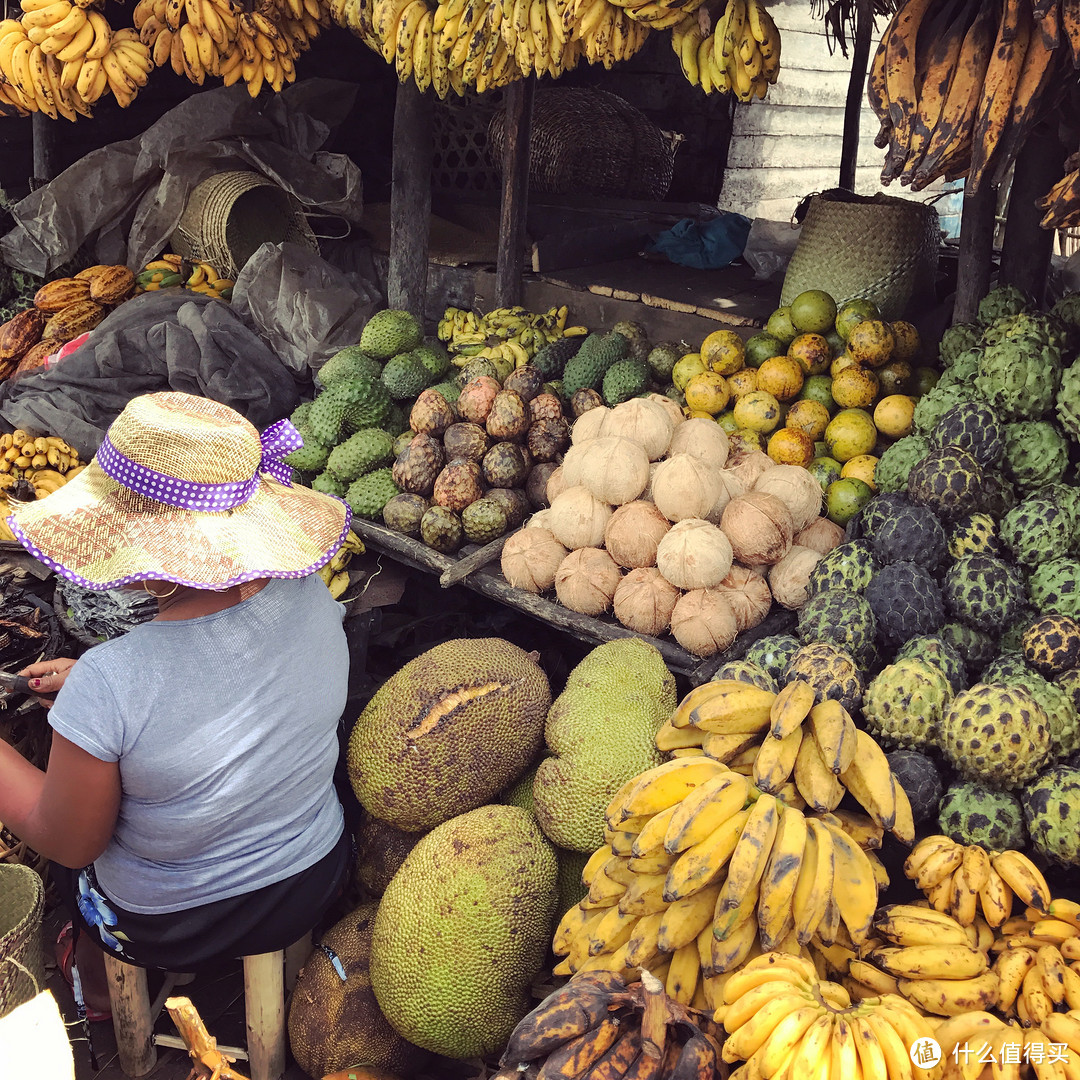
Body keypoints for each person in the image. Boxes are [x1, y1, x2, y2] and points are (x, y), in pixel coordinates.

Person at [0, 391, 353, 1018]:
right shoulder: (311, 597)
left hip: (173, 923)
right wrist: (102, 704)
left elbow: (69, 841)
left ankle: (101, 995)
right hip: (313, 871)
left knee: (72, 881)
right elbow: (217, 684)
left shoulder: (112, 682)